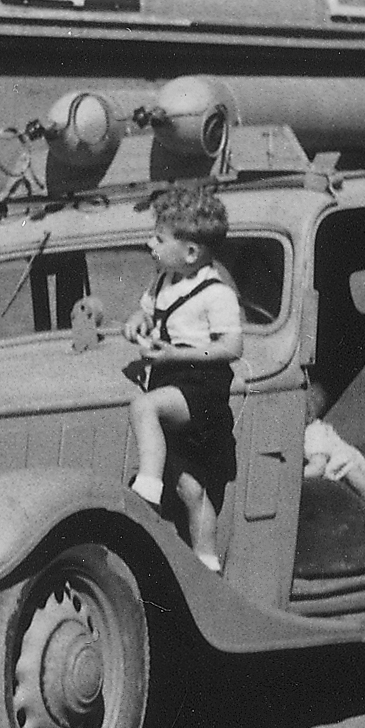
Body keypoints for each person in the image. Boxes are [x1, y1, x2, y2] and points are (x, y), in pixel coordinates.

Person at [123, 186, 243, 574]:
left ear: (190, 252)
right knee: (191, 487)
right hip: (171, 380)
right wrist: (137, 323)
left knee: (144, 407)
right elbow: (146, 312)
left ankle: (147, 489)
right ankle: (207, 560)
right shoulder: (163, 281)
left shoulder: (216, 294)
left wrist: (175, 354)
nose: (150, 244)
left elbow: (232, 347)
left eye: (159, 239)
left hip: (201, 387)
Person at [303, 378, 365, 549]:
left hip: (341, 463)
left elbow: (318, 466)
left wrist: (295, 474)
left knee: (358, 479)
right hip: (335, 469)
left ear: (308, 413)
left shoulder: (313, 433)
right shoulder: (307, 431)